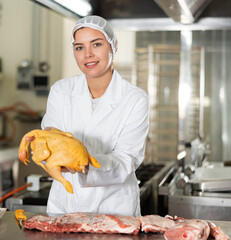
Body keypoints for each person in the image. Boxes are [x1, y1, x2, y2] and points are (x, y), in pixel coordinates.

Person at [39, 16, 149, 216]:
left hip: (114, 209)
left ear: (113, 46)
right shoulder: (61, 90)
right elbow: (48, 144)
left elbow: (126, 159)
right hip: (65, 205)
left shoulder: (135, 99)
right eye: (79, 47)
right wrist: (49, 147)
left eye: (96, 44)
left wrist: (83, 162)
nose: (87, 54)